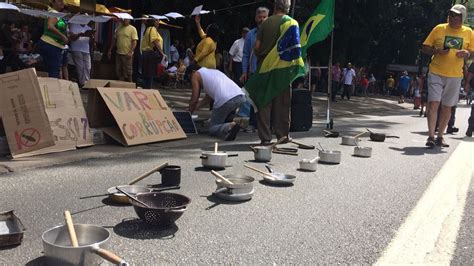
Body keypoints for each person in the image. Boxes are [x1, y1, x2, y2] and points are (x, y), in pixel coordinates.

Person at [421, 4, 473, 148]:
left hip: (455, 75)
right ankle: (431, 136)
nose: (453, 18)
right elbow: (425, 48)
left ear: (462, 17)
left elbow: (472, 53)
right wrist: (437, 51)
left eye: (456, 15)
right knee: (433, 103)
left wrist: (467, 54)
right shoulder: (439, 28)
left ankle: (440, 137)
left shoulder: (469, 32)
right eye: (451, 15)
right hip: (436, 72)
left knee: (447, 106)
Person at [253, 0, 297, 145]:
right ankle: (282, 136)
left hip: (264, 68)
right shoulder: (292, 23)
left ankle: (265, 138)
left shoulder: (265, 23)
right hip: (283, 71)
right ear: (288, 9)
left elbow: (257, 48)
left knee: (264, 103)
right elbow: (295, 51)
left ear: (274, 7)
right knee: (282, 104)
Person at [187, 64, 245, 141]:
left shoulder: (196, 75)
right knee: (224, 116)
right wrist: (195, 107)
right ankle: (229, 125)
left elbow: (194, 99)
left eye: (190, 78)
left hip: (225, 100)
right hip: (240, 96)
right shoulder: (212, 73)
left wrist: (188, 114)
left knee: (212, 128)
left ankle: (230, 126)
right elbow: (207, 99)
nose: (192, 81)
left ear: (193, 72)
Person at [239, 6, 269, 133]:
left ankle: (267, 125)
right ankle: (253, 123)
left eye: (264, 17)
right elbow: (245, 54)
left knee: (267, 99)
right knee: (253, 99)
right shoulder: (251, 34)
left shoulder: (272, 32)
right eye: (259, 16)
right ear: (255, 18)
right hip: (254, 72)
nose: (261, 19)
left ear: (268, 17)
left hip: (268, 71)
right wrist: (244, 71)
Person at [37, 0, 68, 79]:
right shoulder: (54, 12)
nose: (62, 3)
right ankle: (53, 90)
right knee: (54, 71)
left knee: (49, 70)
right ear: (53, 3)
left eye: (63, 1)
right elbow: (50, 26)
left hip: (50, 44)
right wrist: (62, 36)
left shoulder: (54, 13)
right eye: (59, 1)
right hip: (52, 45)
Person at [140, 19, 163, 89]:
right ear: (152, 21)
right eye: (156, 20)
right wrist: (162, 52)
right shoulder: (152, 29)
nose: (158, 22)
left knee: (146, 75)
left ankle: (145, 88)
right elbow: (155, 41)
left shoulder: (148, 29)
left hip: (146, 54)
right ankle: (148, 89)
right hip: (150, 54)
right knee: (150, 75)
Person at [69, 22, 94, 87]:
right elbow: (72, 38)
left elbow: (90, 41)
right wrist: (79, 34)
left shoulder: (88, 28)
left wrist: (91, 36)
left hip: (86, 49)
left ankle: (87, 82)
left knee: (88, 67)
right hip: (76, 48)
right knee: (80, 67)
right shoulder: (74, 25)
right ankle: (83, 83)